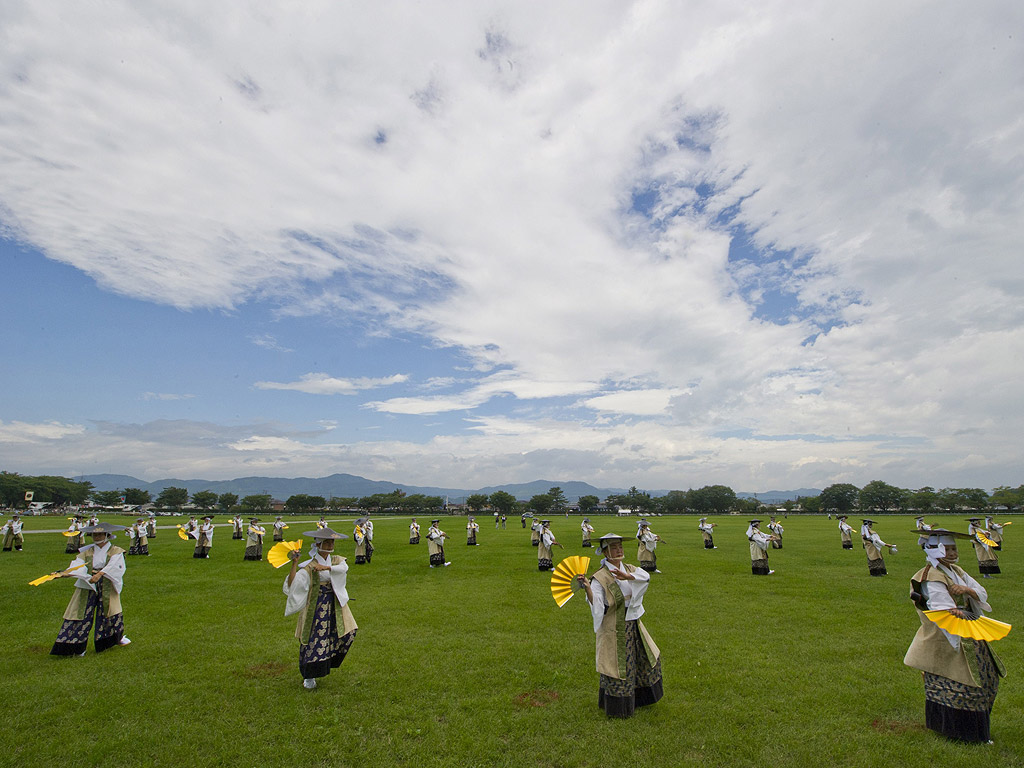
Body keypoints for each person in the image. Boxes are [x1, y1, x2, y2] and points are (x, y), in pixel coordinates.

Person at [904, 528, 1004, 743]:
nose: (951, 553)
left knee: (986, 678)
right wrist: (956, 611)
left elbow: (981, 591)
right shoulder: (929, 576)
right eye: (947, 548)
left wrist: (967, 591)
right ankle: (962, 733)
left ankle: (969, 731)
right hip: (947, 637)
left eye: (954, 548)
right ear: (934, 550)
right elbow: (941, 609)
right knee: (962, 683)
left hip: (970, 633)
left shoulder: (957, 570)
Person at [576, 533, 663, 718]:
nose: (619, 550)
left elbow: (645, 578)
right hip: (614, 629)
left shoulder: (630, 568)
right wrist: (589, 589)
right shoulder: (599, 577)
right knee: (617, 667)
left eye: (620, 546)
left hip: (634, 625)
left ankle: (640, 699)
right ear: (606, 552)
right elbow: (598, 604)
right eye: (614, 547)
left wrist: (628, 576)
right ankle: (619, 708)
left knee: (643, 660)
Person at [283, 527, 356, 690]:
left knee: (346, 632)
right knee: (314, 638)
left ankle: (330, 661)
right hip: (316, 606)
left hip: (334, 604)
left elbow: (344, 569)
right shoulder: (309, 566)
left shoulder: (336, 560)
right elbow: (294, 584)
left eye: (332, 542)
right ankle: (309, 676)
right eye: (327, 542)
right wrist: (294, 564)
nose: (331, 545)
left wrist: (327, 568)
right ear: (318, 544)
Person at [50, 522, 132, 656]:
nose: (97, 537)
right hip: (88, 583)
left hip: (106, 584)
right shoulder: (87, 551)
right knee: (80, 612)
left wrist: (100, 574)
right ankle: (76, 647)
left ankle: (115, 639)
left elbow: (114, 565)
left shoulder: (116, 551)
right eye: (94, 534)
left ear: (107, 535)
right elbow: (77, 566)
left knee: (109, 611)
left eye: (99, 534)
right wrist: (64, 574)